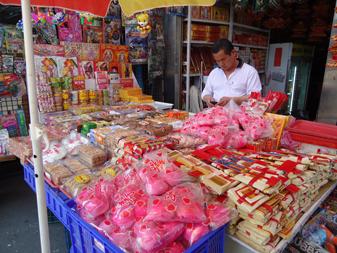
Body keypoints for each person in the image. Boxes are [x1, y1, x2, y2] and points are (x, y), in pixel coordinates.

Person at [201, 39, 262, 107]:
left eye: (223, 59)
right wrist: (208, 99)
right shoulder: (214, 72)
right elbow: (206, 92)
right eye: (217, 61)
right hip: (216, 115)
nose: (221, 64)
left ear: (233, 53)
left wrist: (233, 100)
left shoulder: (250, 71)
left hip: (240, 116)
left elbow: (255, 96)